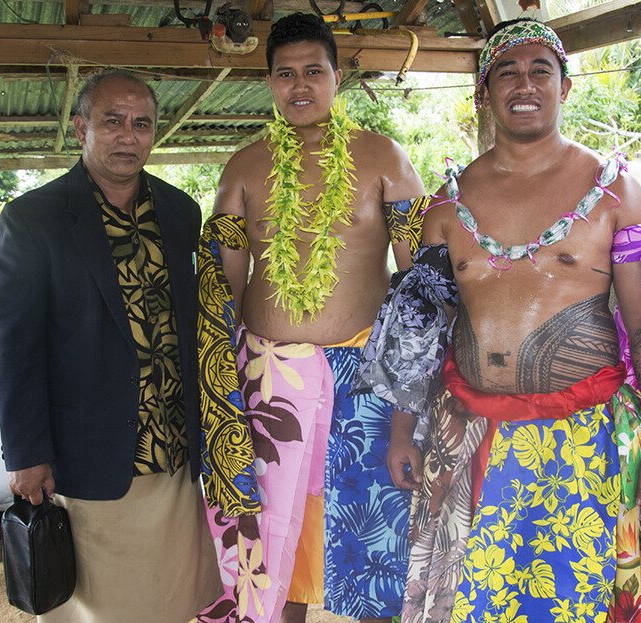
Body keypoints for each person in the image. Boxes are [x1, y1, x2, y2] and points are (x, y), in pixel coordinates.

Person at [355, 18, 641, 623]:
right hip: (466, 442)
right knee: (470, 607)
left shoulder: (615, 193)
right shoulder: (445, 208)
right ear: (483, 93)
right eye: (507, 73)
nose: (525, 85)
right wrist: (399, 431)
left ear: (565, 87)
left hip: (584, 443)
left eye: (539, 70)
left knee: (582, 603)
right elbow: (421, 332)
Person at [195, 12, 426, 623]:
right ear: (268, 81)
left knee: (377, 530)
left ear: (336, 77)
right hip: (270, 380)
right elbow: (224, 285)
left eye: (313, 72)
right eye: (285, 74)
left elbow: (421, 278)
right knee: (275, 536)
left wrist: (415, 389)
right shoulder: (243, 167)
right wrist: (223, 388)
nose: (299, 86)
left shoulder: (385, 157)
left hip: (367, 380)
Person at [0, 69, 221, 622]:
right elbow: (13, 347)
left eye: (142, 124)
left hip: (177, 452)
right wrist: (24, 453)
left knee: (175, 597)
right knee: (103, 607)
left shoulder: (180, 211)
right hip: (93, 454)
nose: (128, 136)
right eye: (111, 121)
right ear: (80, 128)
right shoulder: (33, 219)